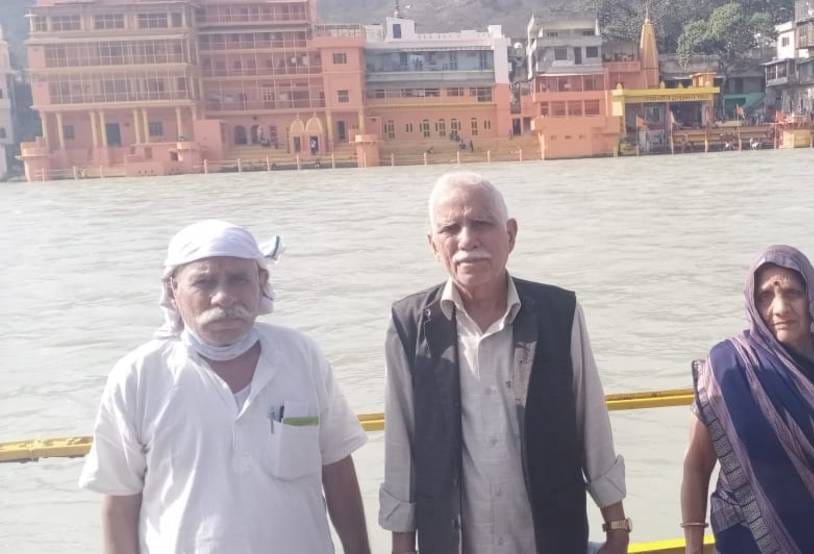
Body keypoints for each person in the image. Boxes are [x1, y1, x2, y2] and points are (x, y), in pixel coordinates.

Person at [79, 220, 370, 554]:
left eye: (239, 279)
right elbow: (119, 501)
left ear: (261, 282)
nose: (224, 296)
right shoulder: (139, 375)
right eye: (204, 282)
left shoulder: (301, 356)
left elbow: (337, 469)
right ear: (173, 289)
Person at [380, 172, 631, 554]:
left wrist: (616, 526)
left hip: (550, 539)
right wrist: (402, 544)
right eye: (451, 228)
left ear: (510, 235)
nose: (467, 240)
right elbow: (402, 443)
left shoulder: (557, 314)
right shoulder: (411, 325)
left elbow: (590, 418)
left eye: (482, 223)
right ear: (433, 245)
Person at [680, 245, 814, 554]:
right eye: (765, 296)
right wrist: (693, 547)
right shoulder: (729, 367)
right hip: (749, 541)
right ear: (752, 303)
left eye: (792, 293)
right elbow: (697, 463)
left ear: (813, 299)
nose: (780, 308)